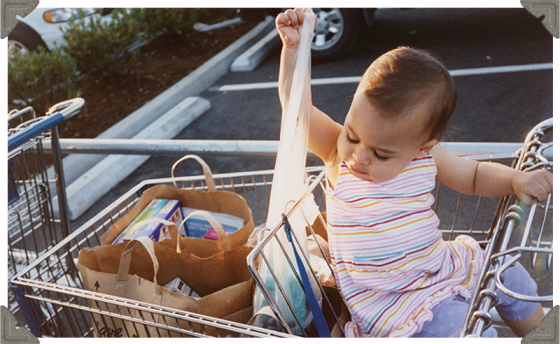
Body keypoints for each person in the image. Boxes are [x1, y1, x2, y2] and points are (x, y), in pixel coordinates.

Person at [276, 8, 553, 338]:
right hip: (389, 303)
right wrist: (294, 49)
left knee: (510, 273)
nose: (360, 155)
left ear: (423, 147)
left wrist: (516, 180)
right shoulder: (338, 156)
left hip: (439, 267)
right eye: (352, 134)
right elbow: (297, 108)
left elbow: (474, 176)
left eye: (381, 154)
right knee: (467, 329)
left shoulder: (427, 157)